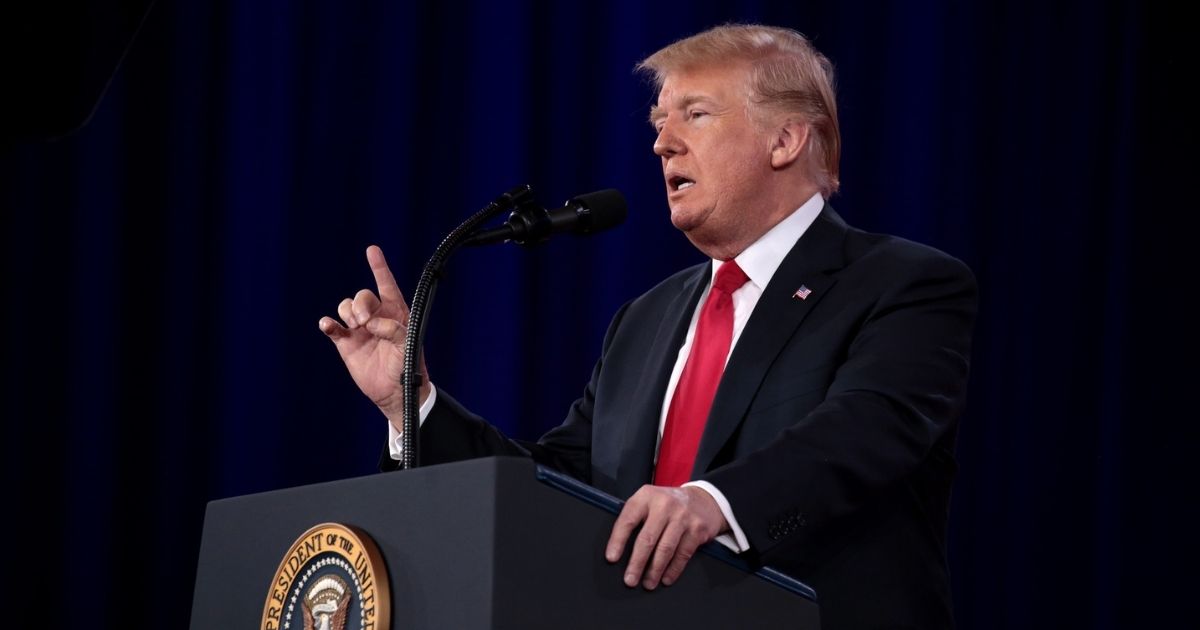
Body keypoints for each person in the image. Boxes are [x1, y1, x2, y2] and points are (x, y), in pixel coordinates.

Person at [319, 23, 976, 630]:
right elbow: (555, 490)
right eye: (660, 122)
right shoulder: (645, 320)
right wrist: (410, 402)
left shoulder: (902, 284)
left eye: (695, 114)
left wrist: (712, 502)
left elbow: (863, 433)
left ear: (786, 139)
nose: (662, 142)